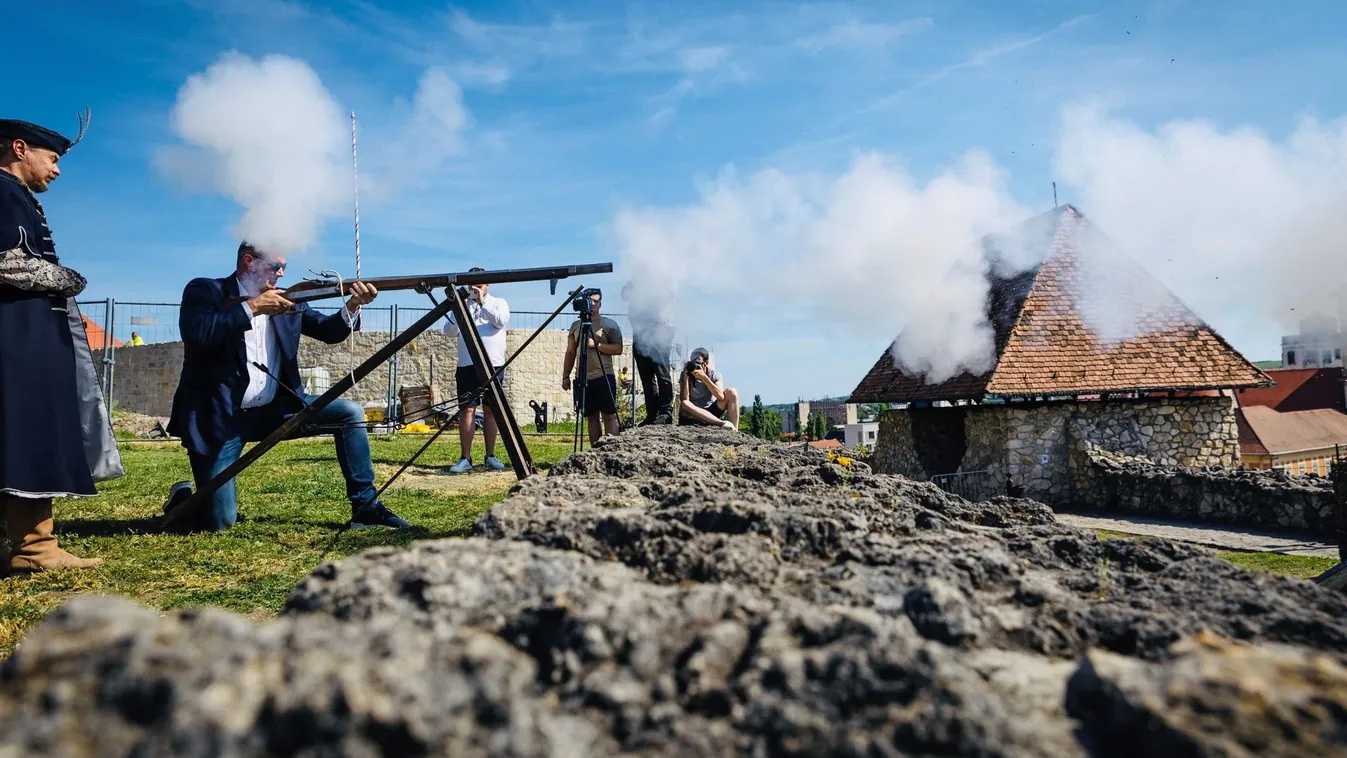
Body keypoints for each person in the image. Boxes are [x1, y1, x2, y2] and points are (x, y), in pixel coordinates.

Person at [165, 241, 409, 532]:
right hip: (221, 419)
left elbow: (329, 332)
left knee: (349, 413)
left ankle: (365, 507)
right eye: (275, 266)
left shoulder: (288, 301)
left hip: (275, 410)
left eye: (284, 267)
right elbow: (198, 332)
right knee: (219, 522)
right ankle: (182, 498)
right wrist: (253, 307)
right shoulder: (206, 290)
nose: (281, 274)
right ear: (248, 262)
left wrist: (353, 305)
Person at [0, 115, 123, 572]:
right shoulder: (5, 192)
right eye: (51, 158)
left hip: (25, 337)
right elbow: (9, 264)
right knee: (27, 432)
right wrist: (68, 278)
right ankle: (35, 549)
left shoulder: (16, 195)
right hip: (18, 340)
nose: (56, 169)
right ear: (19, 149)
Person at [442, 268, 510, 473]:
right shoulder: (461, 306)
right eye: (472, 285)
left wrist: (482, 302)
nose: (475, 289)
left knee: (491, 410)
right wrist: (460, 306)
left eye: (479, 285)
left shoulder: (498, 302)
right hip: (467, 365)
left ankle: (490, 455)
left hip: (493, 365)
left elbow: (500, 321)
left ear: (487, 285)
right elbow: (449, 331)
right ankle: (465, 458)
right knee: (467, 410)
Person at [561, 290, 623, 445]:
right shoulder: (576, 326)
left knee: (609, 415)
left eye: (596, 302)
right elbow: (570, 352)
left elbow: (618, 349)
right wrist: (565, 376)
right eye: (590, 301)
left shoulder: (609, 324)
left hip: (604, 375)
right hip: (583, 377)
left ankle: (612, 449)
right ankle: (595, 450)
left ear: (600, 304)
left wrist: (596, 345)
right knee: (591, 416)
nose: (593, 305)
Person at [621, 280, 675, 425]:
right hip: (640, 335)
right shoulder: (640, 278)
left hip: (659, 333)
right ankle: (652, 413)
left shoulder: (662, 277)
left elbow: (668, 295)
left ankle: (665, 412)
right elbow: (624, 294)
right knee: (646, 376)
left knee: (662, 374)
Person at [678, 347, 740, 430]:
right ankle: (721, 423)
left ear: (706, 363)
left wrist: (704, 377)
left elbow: (720, 396)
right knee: (685, 403)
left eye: (698, 363)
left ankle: (734, 429)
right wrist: (686, 378)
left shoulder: (714, 375)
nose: (696, 367)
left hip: (710, 412)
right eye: (693, 363)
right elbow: (684, 399)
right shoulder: (686, 374)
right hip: (693, 413)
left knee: (732, 392)